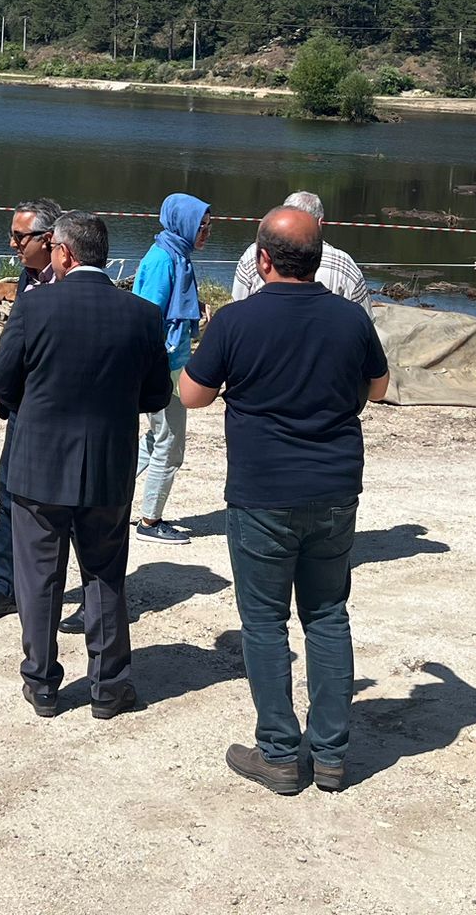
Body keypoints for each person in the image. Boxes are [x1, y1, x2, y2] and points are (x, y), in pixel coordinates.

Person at [182, 206, 389, 795]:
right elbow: (376, 387)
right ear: (319, 259)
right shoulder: (350, 320)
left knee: (265, 623)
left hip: (262, 493)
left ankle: (278, 752)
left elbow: (192, 396)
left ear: (263, 259)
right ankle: (330, 755)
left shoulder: (235, 320)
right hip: (334, 488)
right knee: (327, 616)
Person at [0, 212, 170, 719]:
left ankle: (42, 683)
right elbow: (157, 394)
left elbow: (0, 381)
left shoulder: (35, 305)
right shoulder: (142, 314)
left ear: (63, 253)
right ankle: (109, 686)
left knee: (39, 576)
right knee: (105, 575)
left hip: (40, 463)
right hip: (109, 464)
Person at [0, 197, 65, 622]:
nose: (12, 244)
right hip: (21, 410)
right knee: (8, 495)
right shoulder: (27, 279)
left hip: (61, 414)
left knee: (68, 508)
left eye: (19, 236)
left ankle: (76, 594)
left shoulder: (70, 281)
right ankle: (4, 587)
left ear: (48, 240)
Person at [131, 192, 211, 543]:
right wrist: (153, 370)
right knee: (170, 444)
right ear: (185, 224)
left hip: (173, 363)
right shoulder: (165, 260)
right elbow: (147, 316)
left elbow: (171, 312)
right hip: (161, 367)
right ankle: (150, 522)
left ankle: (102, 494)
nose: (207, 232)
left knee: (156, 438)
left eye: (209, 226)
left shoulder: (178, 255)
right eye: (202, 226)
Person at [229, 190, 372, 315]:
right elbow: (365, 319)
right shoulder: (343, 263)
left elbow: (238, 304)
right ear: (320, 223)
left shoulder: (253, 254)